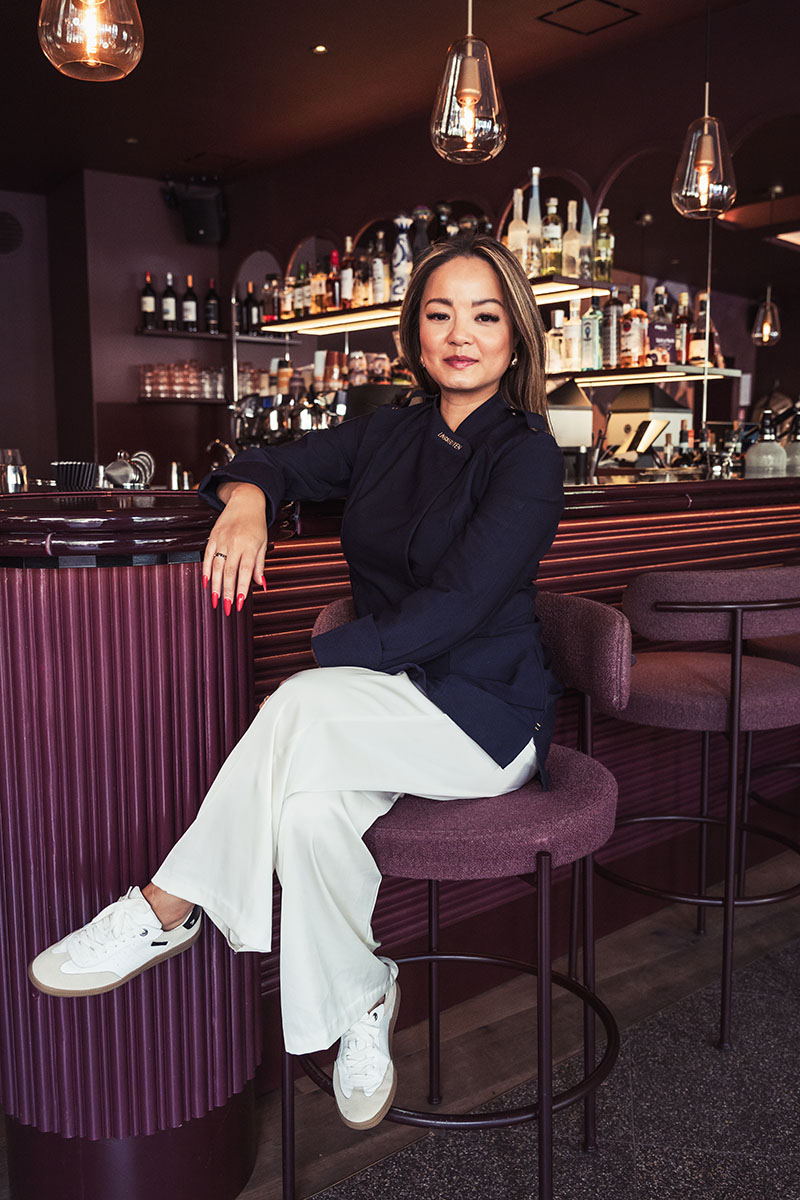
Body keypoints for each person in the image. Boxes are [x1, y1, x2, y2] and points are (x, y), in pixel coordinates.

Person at [29, 233, 564, 1132]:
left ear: (516, 336)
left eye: (484, 315)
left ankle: (167, 904)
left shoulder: (527, 454)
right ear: (414, 331)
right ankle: (364, 999)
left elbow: (461, 605)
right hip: (384, 708)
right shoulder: (387, 431)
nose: (461, 335)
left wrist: (335, 658)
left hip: (483, 715)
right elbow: (278, 460)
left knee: (301, 703)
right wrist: (248, 498)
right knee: (307, 815)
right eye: (440, 314)